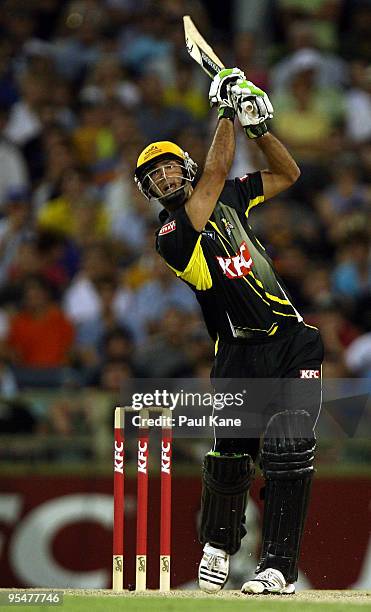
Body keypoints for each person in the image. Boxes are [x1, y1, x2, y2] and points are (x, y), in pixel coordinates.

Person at [134, 68, 324, 595]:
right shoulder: (171, 237)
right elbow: (214, 173)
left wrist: (260, 127)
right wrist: (225, 110)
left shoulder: (235, 195)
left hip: (292, 343)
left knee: (288, 451)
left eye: (170, 167)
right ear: (150, 192)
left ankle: (279, 568)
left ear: (183, 166)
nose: (165, 179)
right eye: (154, 178)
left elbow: (288, 175)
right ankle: (218, 545)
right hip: (236, 357)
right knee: (229, 460)